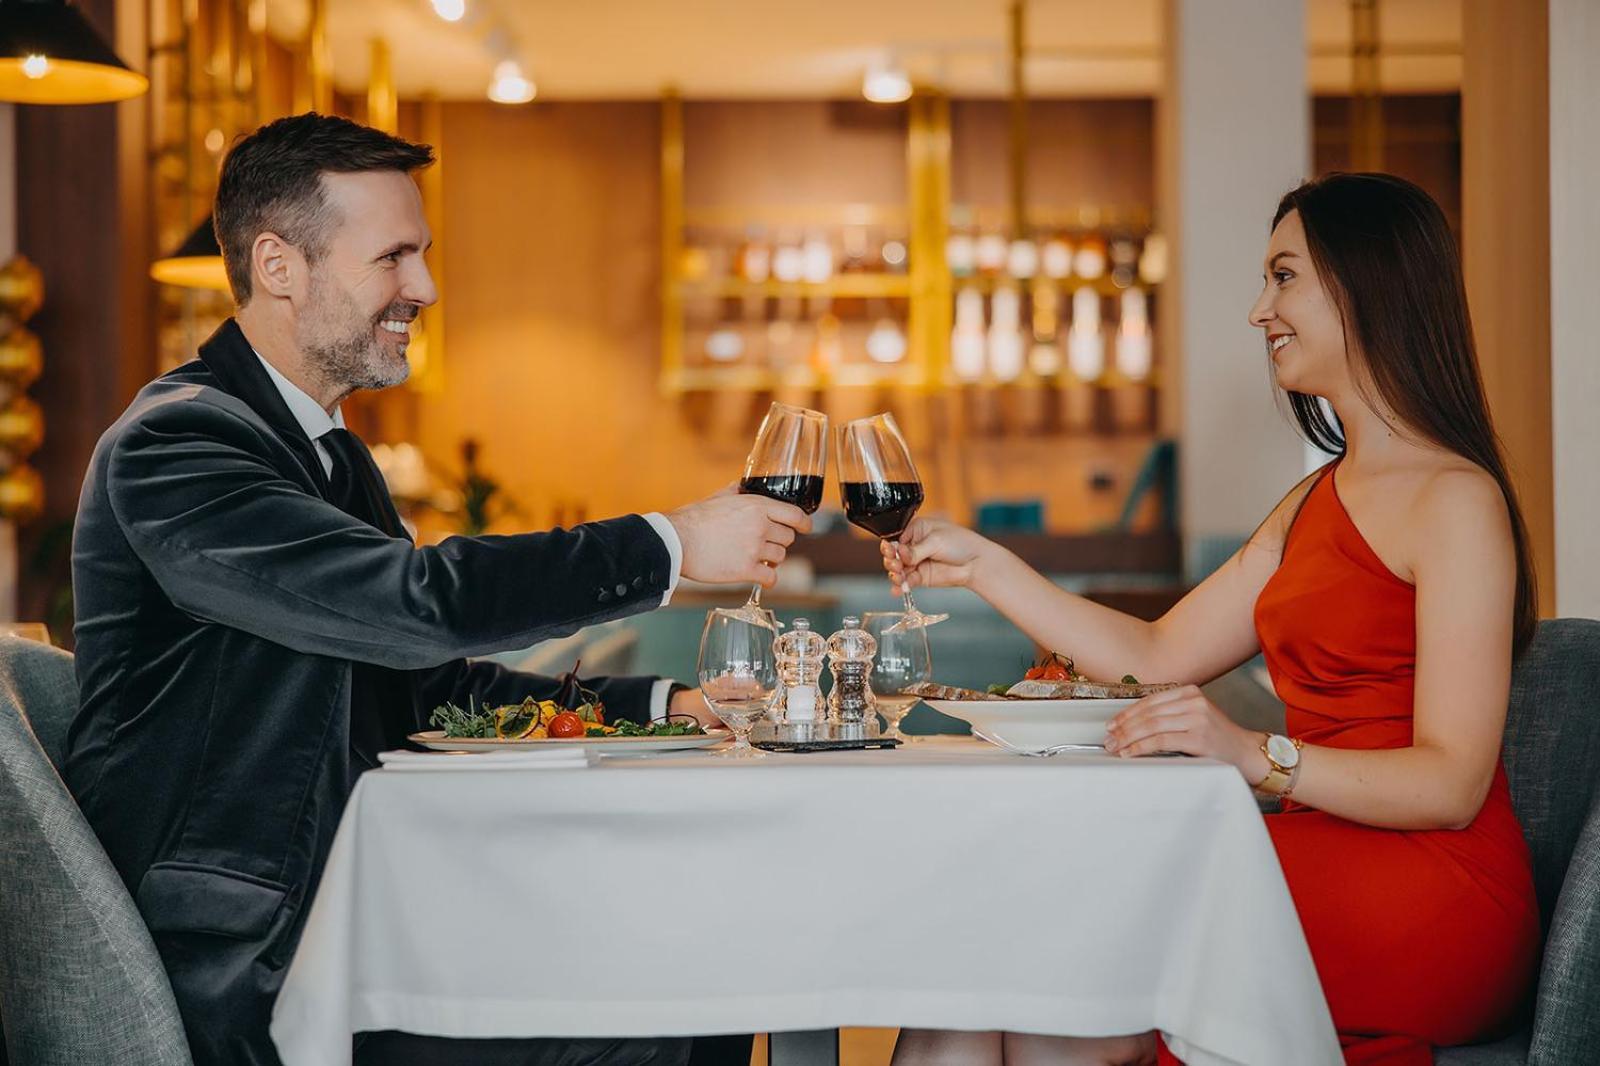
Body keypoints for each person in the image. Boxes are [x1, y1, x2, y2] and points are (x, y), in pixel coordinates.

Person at [63, 113, 806, 1066]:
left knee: (693, 967)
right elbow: (417, 606)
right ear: (278, 264)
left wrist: (668, 705)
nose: (426, 287)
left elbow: (431, 693)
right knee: (661, 1009)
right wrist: (674, 541)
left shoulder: (328, 455)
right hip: (248, 954)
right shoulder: (177, 449)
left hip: (357, 911)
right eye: (393, 258)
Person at [884, 173, 1540, 1066]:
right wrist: (986, 567)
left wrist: (1252, 754)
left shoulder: (1456, 499)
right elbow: (1157, 653)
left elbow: (1451, 785)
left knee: (1041, 971)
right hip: (1316, 854)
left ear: (1367, 280)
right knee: (990, 967)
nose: (1257, 311)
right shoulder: (1314, 500)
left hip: (1432, 890)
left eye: (1283, 277)